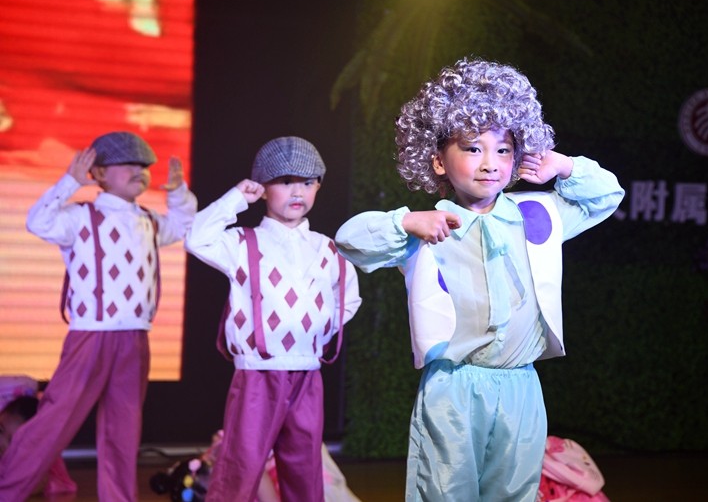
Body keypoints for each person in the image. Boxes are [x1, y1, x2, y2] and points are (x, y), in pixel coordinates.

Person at [334, 57, 625, 501]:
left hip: (520, 387)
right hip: (453, 389)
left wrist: (564, 166)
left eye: (503, 150)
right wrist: (405, 221)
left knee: (514, 494)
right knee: (444, 493)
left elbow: (607, 195)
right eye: (472, 149)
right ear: (437, 160)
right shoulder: (428, 226)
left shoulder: (537, 214)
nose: (490, 163)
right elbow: (349, 240)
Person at [0, 131, 198, 501]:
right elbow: (38, 221)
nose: (138, 171)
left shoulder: (149, 220)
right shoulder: (80, 217)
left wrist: (177, 193)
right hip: (90, 336)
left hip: (135, 337)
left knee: (124, 429)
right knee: (53, 422)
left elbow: (186, 227)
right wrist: (69, 182)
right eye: (127, 164)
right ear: (100, 173)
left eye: (143, 166)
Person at [184, 136, 362, 502]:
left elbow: (349, 297)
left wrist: (316, 330)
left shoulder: (328, 247)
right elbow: (196, 238)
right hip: (258, 373)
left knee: (305, 471)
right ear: (263, 188)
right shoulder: (242, 242)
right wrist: (237, 198)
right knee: (240, 468)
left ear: (319, 186)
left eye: (308, 182)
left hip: (307, 372)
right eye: (284, 181)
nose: (297, 191)